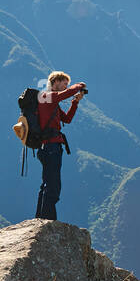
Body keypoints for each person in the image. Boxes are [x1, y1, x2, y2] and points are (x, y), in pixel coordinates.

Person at [34, 71, 86, 221]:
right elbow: (62, 95)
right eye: (64, 84)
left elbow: (67, 119)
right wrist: (78, 86)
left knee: (47, 183)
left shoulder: (52, 103)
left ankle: (40, 218)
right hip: (50, 148)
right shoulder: (44, 96)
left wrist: (75, 102)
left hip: (52, 148)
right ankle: (48, 220)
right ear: (55, 81)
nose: (66, 87)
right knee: (53, 186)